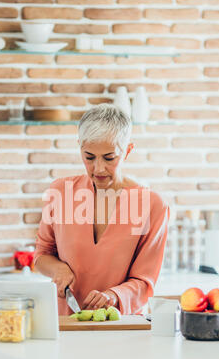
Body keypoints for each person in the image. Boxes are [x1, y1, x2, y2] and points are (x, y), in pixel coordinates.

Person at [34, 104, 170, 315]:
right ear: (80, 147)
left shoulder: (151, 205)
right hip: (65, 325)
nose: (98, 169)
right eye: (89, 157)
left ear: (127, 151)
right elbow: (42, 255)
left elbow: (145, 281)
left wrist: (114, 296)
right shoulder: (61, 191)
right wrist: (58, 268)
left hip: (122, 327)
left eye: (109, 158)